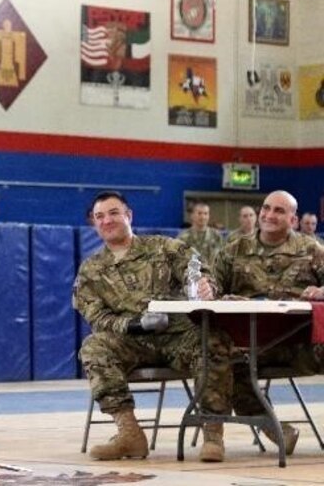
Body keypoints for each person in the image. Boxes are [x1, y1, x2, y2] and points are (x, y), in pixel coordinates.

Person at [73, 191, 233, 462]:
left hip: (178, 335)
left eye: (113, 213)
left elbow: (196, 269)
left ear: (128, 216)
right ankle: (129, 434)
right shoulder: (91, 270)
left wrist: (207, 285)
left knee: (214, 340)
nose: (107, 220)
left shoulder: (162, 247)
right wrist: (134, 324)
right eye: (99, 216)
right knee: (93, 347)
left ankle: (213, 434)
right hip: (132, 341)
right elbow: (96, 316)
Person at [214, 190, 324, 456]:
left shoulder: (312, 250)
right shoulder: (233, 250)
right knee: (226, 365)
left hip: (303, 344)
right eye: (266, 208)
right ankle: (277, 430)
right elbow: (211, 291)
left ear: (293, 220)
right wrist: (218, 295)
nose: (269, 215)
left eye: (279, 211)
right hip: (253, 346)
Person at [177, 201, 225, 266]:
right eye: (199, 213)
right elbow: (178, 260)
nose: (203, 217)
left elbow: (223, 260)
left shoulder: (217, 237)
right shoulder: (183, 237)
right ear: (192, 215)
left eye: (205, 213)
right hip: (190, 274)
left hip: (212, 274)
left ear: (209, 216)